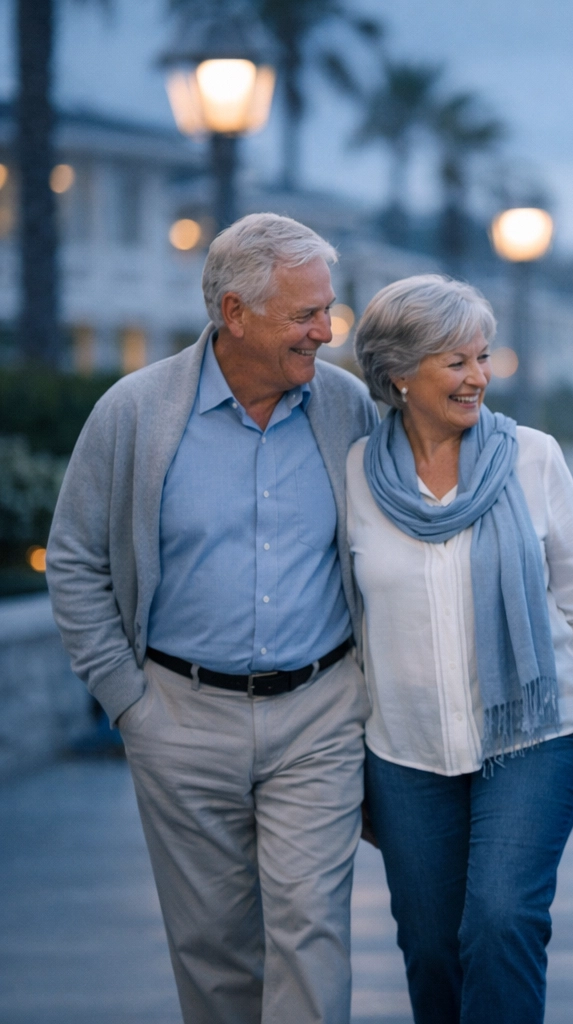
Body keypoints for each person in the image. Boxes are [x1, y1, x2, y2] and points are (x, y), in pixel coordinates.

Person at [47, 213, 378, 1023]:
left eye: (327, 310)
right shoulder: (135, 413)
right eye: (305, 315)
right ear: (235, 313)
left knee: (313, 933)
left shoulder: (348, 410)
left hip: (320, 714)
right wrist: (130, 703)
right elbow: (76, 559)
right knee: (213, 948)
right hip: (180, 717)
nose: (325, 332)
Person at [347, 275, 573, 1023]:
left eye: (483, 357)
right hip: (407, 752)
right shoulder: (353, 478)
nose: (478, 378)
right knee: (433, 946)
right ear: (399, 373)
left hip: (536, 735)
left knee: (502, 921)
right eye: (456, 361)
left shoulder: (532, 458)